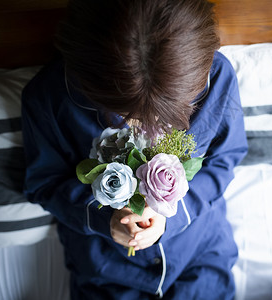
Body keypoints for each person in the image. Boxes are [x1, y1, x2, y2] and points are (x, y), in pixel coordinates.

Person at [21, 0, 248, 299]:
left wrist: (173, 215)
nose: (143, 124)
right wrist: (106, 220)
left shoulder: (215, 77)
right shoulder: (49, 97)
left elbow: (224, 159)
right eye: (123, 112)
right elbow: (43, 182)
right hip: (105, 273)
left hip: (198, 258)